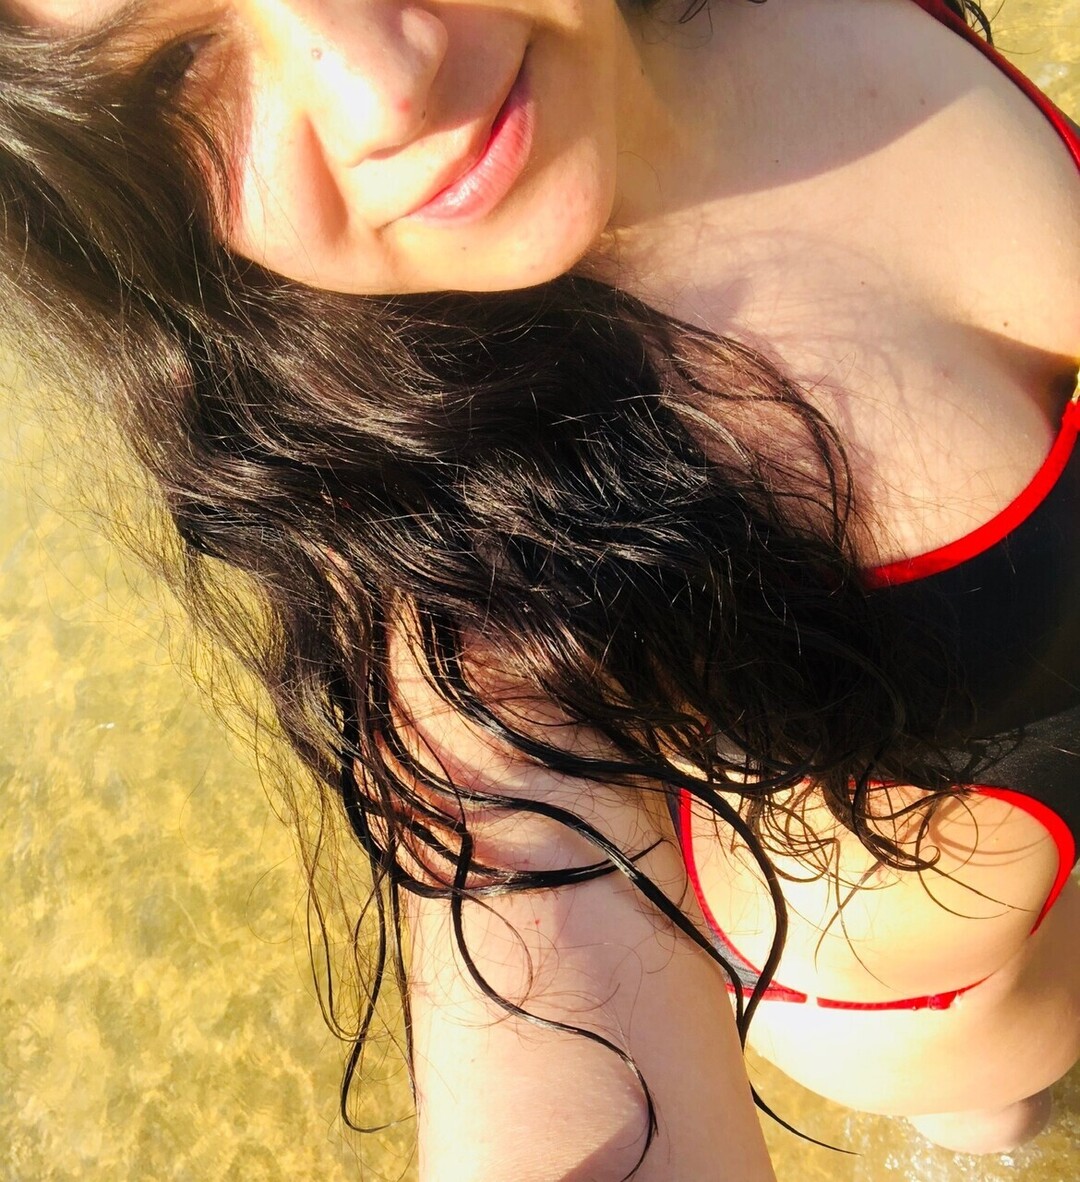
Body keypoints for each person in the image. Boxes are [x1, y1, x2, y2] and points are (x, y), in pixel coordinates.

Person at [1, 0, 1077, 1178]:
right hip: (964, 999)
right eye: (181, 65)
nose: (384, 90)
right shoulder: (463, 573)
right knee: (1000, 1118)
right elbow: (530, 920)